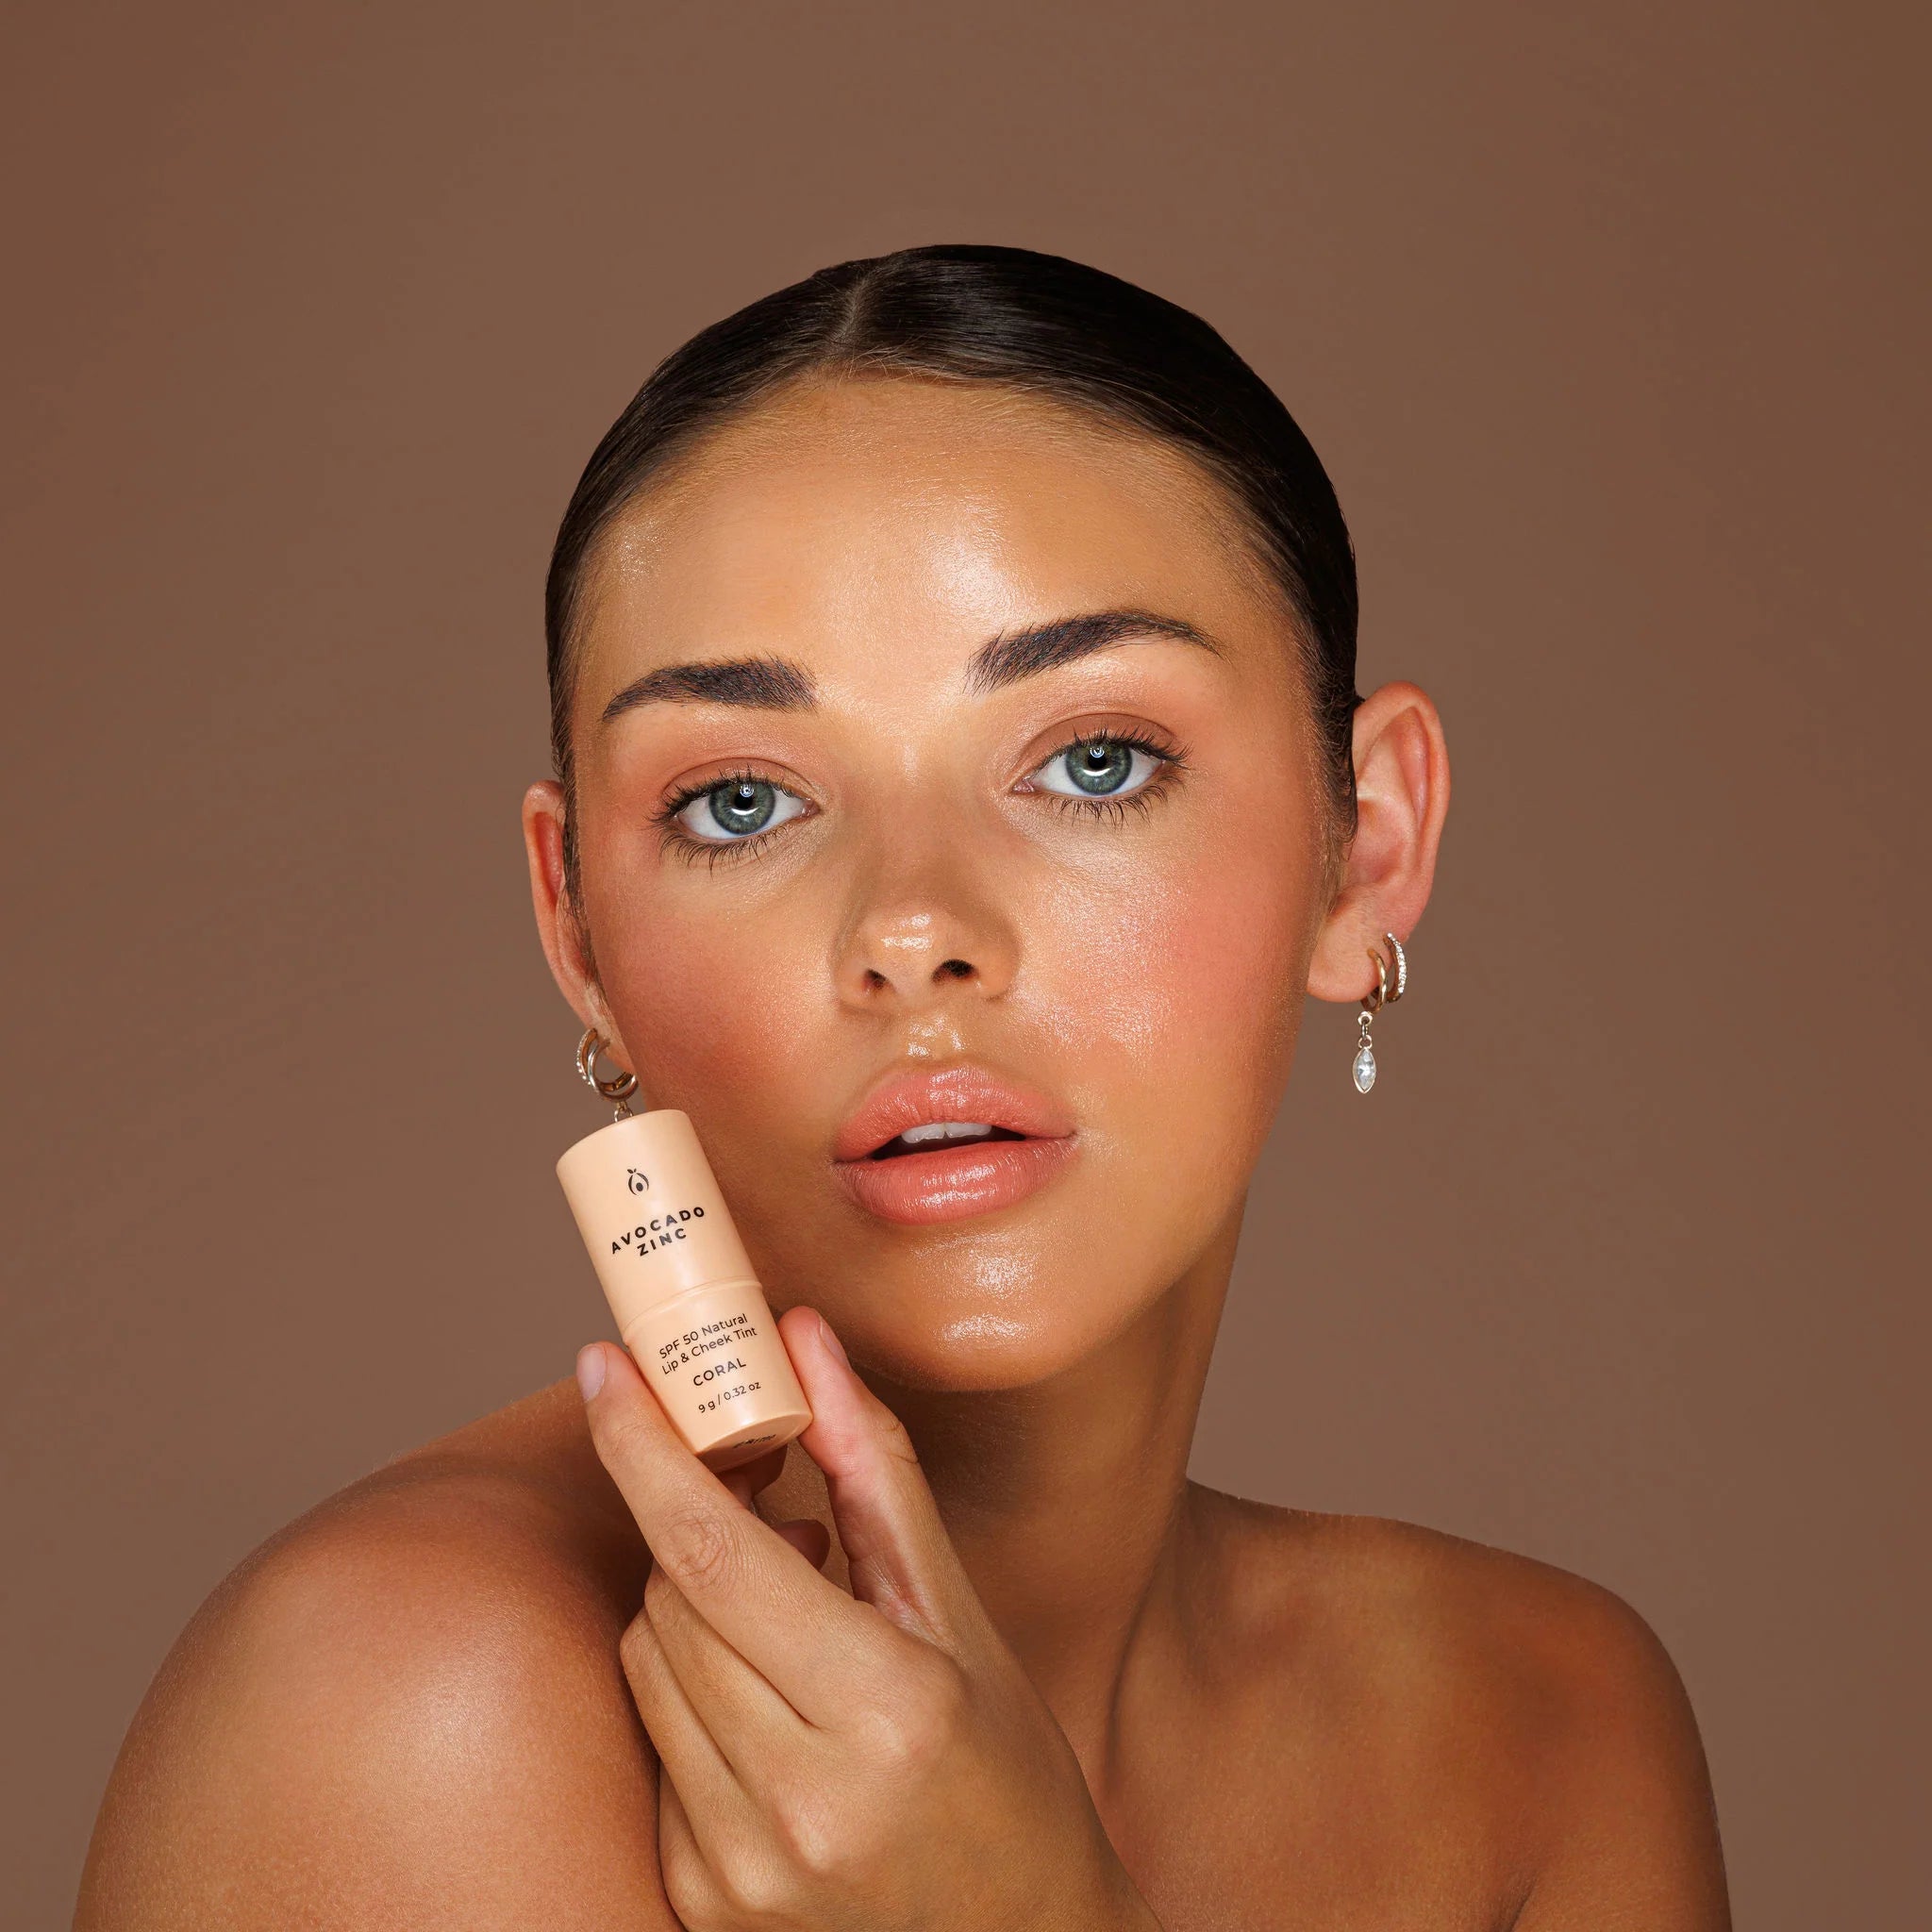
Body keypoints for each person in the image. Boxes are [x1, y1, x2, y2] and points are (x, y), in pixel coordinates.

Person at [75, 244, 1731, 1929]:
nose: (915, 930)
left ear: (1364, 845)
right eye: (741, 803)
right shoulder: (415, 1712)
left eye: (1095, 762)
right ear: (576, 929)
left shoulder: (1550, 1724)